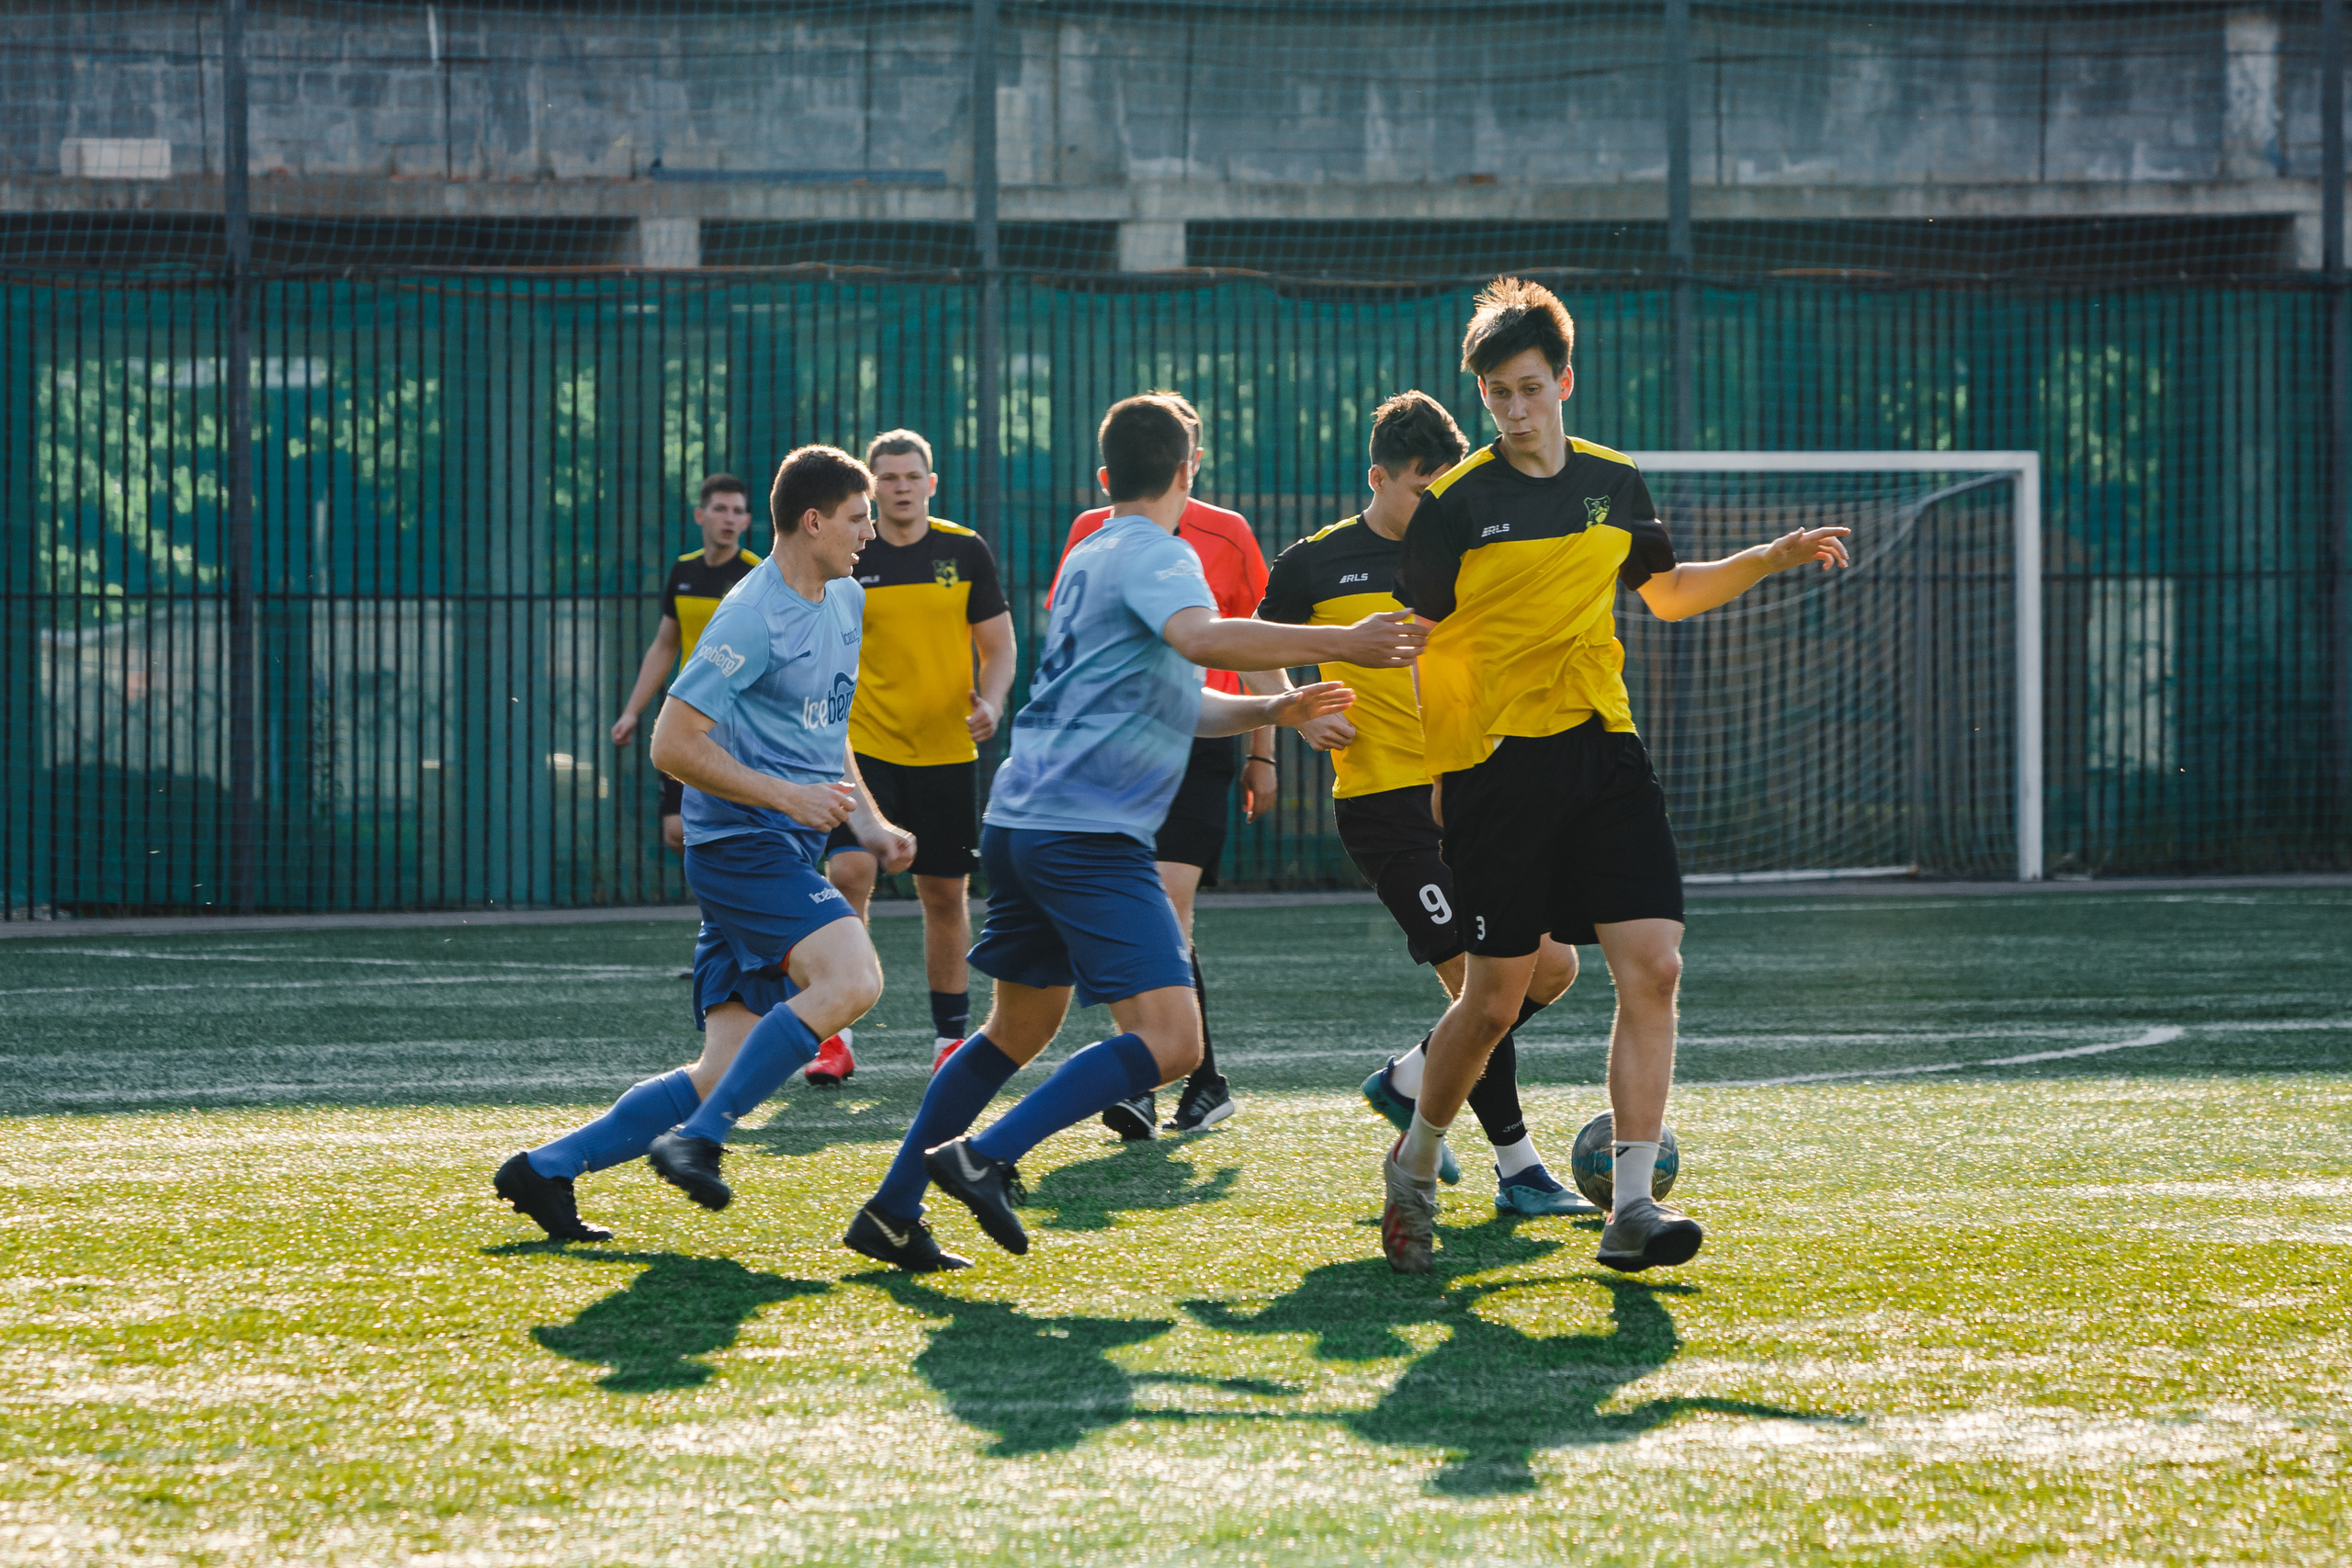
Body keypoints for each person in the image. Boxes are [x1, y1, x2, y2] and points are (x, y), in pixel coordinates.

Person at [837, 393, 1425, 1272]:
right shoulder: (1162, 553)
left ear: (1106, 475)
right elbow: (1200, 636)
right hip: (1085, 830)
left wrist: (1274, 709)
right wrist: (1341, 640)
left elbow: (1170, 695)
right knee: (1175, 1042)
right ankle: (986, 1156)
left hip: (1023, 819)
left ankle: (890, 1209)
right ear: (1189, 469)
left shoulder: (1091, 551)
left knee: (1014, 1030)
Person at [1380, 277, 1849, 1276]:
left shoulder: (1614, 482)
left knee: (1656, 968)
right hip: (1496, 771)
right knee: (1493, 1002)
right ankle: (1413, 1164)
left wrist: (1767, 557)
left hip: (1604, 748)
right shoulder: (1455, 506)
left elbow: (1666, 594)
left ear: (1564, 382)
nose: (1514, 411)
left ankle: (1631, 1206)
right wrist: (1440, 775)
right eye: (1496, 394)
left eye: (1528, 388)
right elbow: (1422, 648)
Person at [492, 446, 915, 1241]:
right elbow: (671, 742)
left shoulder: (847, 598)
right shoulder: (750, 616)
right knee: (853, 977)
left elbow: (826, 727)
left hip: (784, 849)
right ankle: (702, 1139)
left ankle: (544, 1169)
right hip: (740, 848)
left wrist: (867, 820)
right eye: (859, 518)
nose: (871, 532)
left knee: (721, 1067)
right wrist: (787, 796)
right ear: (814, 521)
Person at [1257, 389, 1592, 1219]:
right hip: (1385, 806)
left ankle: (1409, 1077)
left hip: (1473, 793)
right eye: (1420, 488)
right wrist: (1297, 708)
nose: (1437, 502)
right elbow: (1256, 641)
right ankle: (1519, 1170)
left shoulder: (1473, 550)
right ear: (1378, 478)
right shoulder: (1317, 561)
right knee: (1481, 986)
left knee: (1554, 968)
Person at [1050, 394, 1277, 1138]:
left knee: (1163, 903)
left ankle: (1154, 1072)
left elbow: (1250, 639)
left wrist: (1264, 748)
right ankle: (1188, 1074)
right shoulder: (1097, 533)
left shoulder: (1226, 532)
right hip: (1118, 748)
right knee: (1136, 910)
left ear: (1191, 462)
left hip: (1201, 740)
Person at [810, 429, 1017, 1089]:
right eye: (888, 478)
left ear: (931, 483)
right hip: (864, 749)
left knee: (944, 894)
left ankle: (949, 1041)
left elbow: (999, 646)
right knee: (850, 871)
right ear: (872, 489)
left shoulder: (965, 551)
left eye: (911, 476)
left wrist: (993, 702)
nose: (900, 487)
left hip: (946, 752)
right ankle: (834, 1037)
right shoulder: (852, 554)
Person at [610, 474, 762, 855]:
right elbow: (665, 645)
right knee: (676, 831)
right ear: (700, 515)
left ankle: (737, 888)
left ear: (747, 521)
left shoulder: (755, 575)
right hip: (687, 716)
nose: (729, 518)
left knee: (731, 829)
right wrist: (631, 712)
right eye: (720, 509)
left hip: (737, 723)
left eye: (737, 511)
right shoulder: (683, 571)